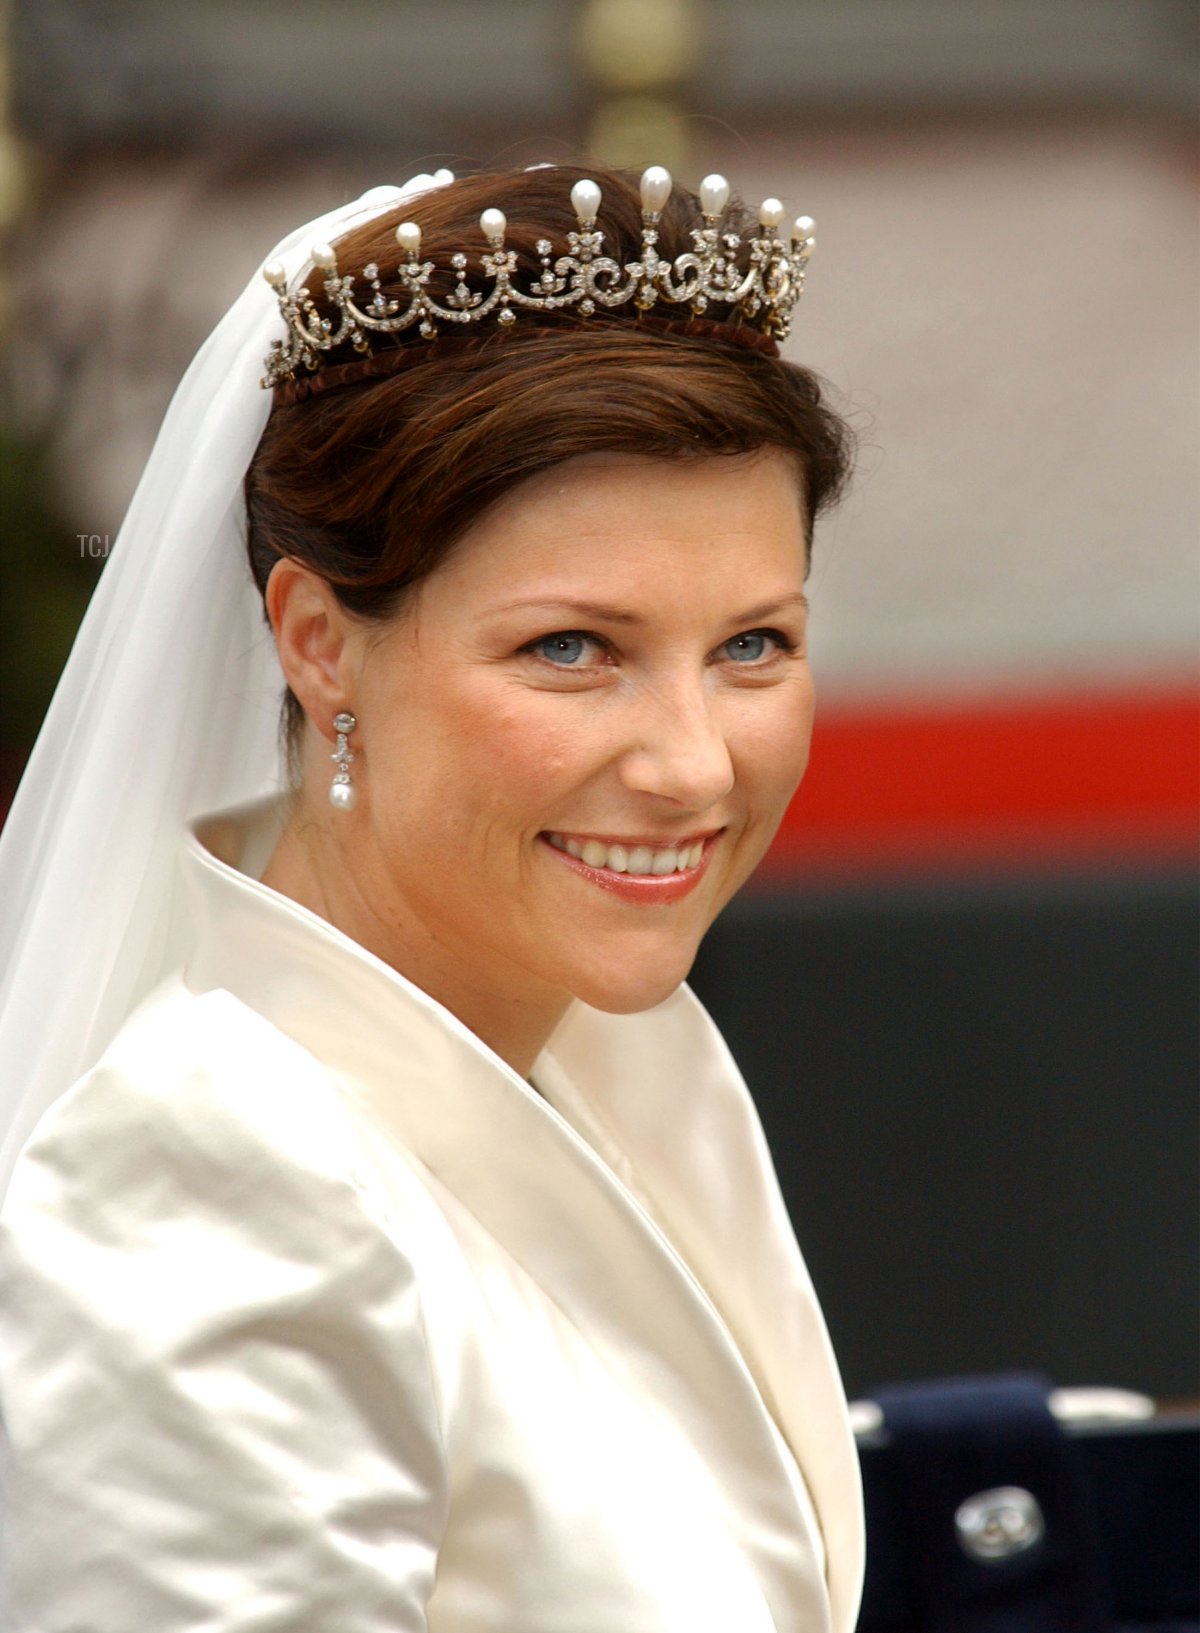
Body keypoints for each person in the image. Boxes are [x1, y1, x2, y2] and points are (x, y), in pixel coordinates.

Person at [0, 161, 864, 1630]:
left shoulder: (594, 1056)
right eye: (573, 648)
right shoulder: (213, 1192)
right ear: (322, 644)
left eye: (753, 646)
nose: (692, 763)